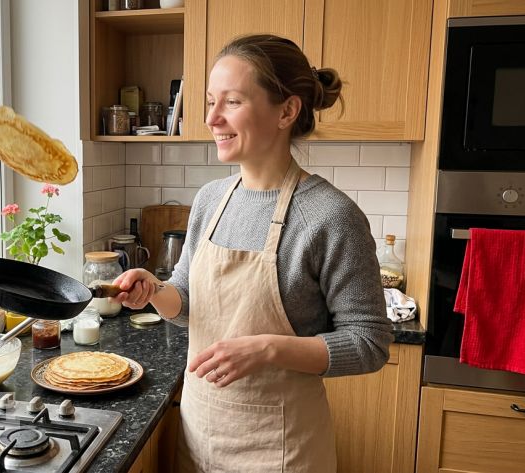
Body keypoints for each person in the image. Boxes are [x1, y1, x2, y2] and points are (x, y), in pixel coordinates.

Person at [111, 34, 393, 472]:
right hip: (201, 436)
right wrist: (154, 291)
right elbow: (186, 302)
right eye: (210, 102)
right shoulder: (210, 199)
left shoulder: (331, 215)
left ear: (286, 110)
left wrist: (267, 349)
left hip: (281, 449)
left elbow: (369, 343)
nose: (212, 118)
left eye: (232, 102)